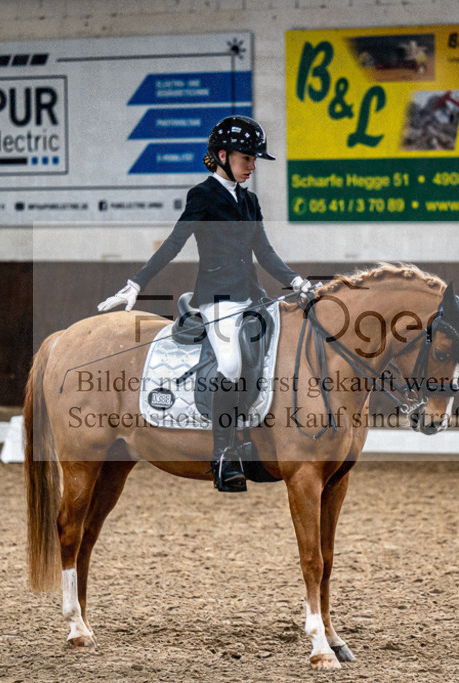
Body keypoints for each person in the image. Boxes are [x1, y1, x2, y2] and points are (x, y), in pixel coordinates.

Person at [98, 115, 313, 493]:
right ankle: (224, 455)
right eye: (247, 158)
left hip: (253, 297)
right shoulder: (203, 196)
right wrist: (136, 283)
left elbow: (264, 252)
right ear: (222, 156)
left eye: (255, 159)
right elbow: (174, 242)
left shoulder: (250, 201)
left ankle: (254, 438)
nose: (252, 166)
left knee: (275, 355)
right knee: (230, 364)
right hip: (218, 300)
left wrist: (296, 281)